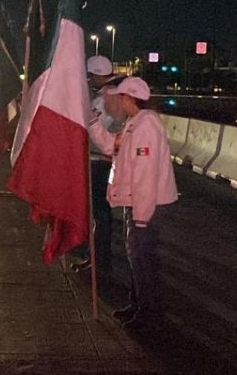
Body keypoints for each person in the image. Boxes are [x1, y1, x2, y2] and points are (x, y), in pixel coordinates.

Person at [88, 77, 178, 330]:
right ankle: (139, 304)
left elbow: (145, 177)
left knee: (143, 259)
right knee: (137, 258)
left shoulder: (146, 126)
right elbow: (110, 146)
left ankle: (150, 314)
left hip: (145, 206)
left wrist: (141, 216)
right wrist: (93, 122)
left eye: (118, 98)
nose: (113, 103)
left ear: (129, 98)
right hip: (137, 204)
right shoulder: (134, 124)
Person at [72, 56, 125, 280]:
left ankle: (100, 264)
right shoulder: (105, 95)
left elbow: (101, 136)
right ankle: (95, 259)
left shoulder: (107, 98)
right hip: (98, 160)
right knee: (98, 216)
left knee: (101, 217)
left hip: (101, 163)